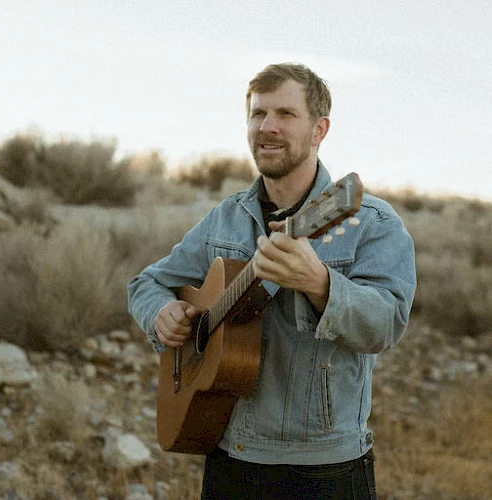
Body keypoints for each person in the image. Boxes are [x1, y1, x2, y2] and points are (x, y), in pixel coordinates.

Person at [128, 63, 416, 499]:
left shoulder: (368, 221)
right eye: (258, 114)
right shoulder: (225, 217)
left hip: (326, 470)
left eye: (285, 114)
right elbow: (145, 284)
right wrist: (161, 314)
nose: (267, 127)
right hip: (230, 458)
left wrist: (320, 284)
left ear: (320, 129)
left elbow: (386, 324)